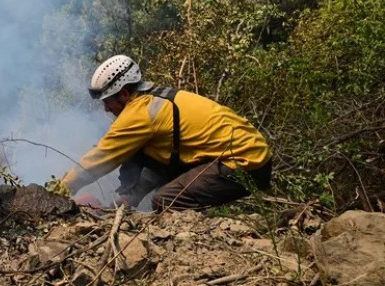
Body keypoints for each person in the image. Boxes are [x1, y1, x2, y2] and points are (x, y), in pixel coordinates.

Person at [60, 55, 272, 211]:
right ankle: (128, 203)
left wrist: (61, 188)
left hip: (244, 161)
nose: (107, 109)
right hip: (249, 155)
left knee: (165, 200)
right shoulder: (155, 98)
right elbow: (154, 162)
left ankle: (194, 245)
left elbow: (102, 156)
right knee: (148, 157)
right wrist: (128, 197)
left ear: (124, 93)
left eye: (108, 102)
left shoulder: (139, 113)